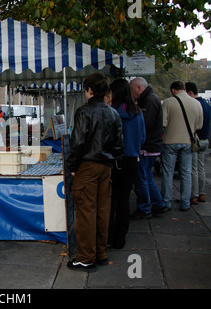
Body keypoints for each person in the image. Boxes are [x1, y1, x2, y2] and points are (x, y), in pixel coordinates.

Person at [66, 72, 123, 272]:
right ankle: (100, 252)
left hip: (87, 166)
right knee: (102, 210)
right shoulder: (113, 112)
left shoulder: (84, 111)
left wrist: (73, 167)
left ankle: (85, 257)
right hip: (105, 166)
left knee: (85, 212)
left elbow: (78, 143)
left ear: (89, 90)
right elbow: (119, 145)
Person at [108, 79, 146, 249]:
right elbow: (143, 137)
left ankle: (109, 236)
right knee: (124, 200)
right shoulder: (138, 112)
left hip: (115, 160)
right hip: (132, 160)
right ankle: (120, 239)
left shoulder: (113, 112)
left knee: (111, 200)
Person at [161, 81, 203, 211]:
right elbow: (199, 126)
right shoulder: (196, 104)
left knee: (168, 172)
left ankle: (166, 201)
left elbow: (163, 122)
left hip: (170, 141)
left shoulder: (168, 102)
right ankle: (185, 202)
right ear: (184, 89)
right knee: (186, 172)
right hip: (188, 141)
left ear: (173, 90)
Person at [129, 77, 168, 219]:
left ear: (139, 88)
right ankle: (158, 204)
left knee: (141, 178)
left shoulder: (149, 100)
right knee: (147, 177)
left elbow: (145, 123)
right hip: (152, 145)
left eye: (132, 90)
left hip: (147, 147)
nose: (131, 93)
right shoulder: (151, 98)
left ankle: (145, 208)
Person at [186, 82, 211, 204]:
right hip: (205, 139)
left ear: (190, 92)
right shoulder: (207, 105)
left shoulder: (195, 105)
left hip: (196, 140)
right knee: (201, 168)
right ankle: (202, 193)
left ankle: (194, 195)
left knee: (193, 169)